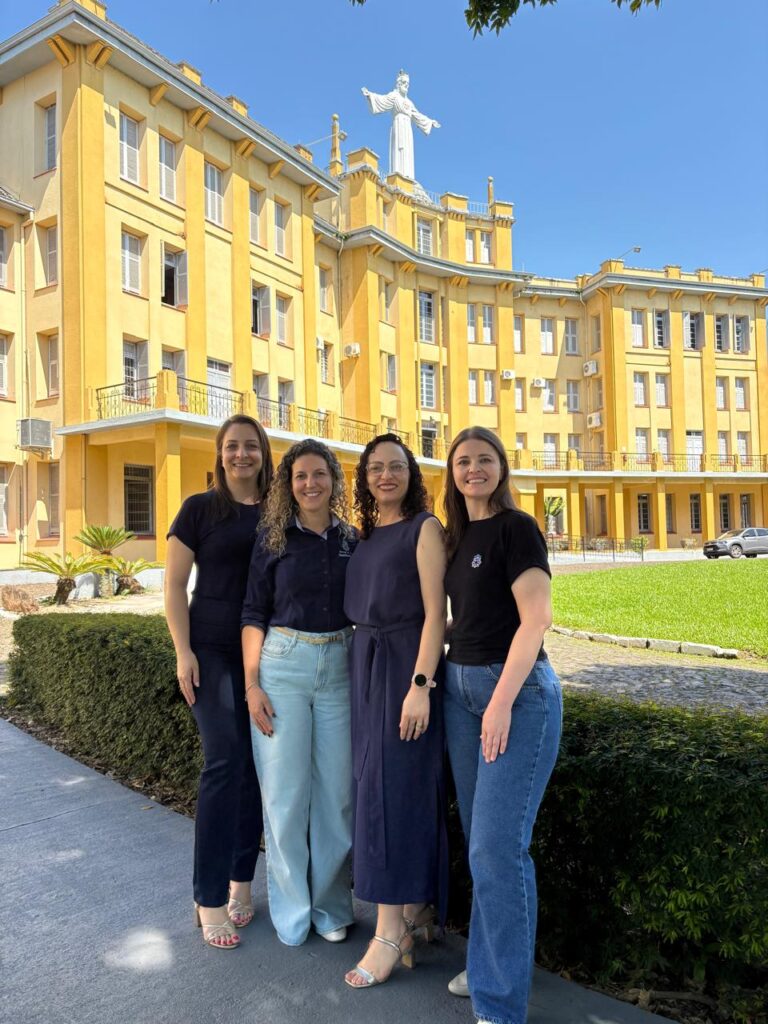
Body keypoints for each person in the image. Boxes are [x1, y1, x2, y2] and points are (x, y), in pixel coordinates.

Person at [441, 426, 562, 1024]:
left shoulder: (517, 528)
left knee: (498, 848)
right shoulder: (457, 536)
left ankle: (500, 1003)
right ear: (451, 472)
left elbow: (535, 617)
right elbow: (464, 619)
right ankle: (490, 964)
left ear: (502, 467)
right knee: (480, 847)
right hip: (460, 694)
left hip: (514, 696)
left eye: (484, 459)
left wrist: (500, 703)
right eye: (463, 461)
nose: (473, 469)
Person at [242, 439, 357, 947]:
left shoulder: (351, 539)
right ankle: (292, 910)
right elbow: (253, 613)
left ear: (333, 480)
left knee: (336, 797)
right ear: (289, 485)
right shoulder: (273, 539)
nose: (311, 483)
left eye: (319, 474)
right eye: (301, 476)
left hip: (339, 666)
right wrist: (252, 684)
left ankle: (330, 908)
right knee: (285, 795)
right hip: (283, 667)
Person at [342, 433, 447, 989]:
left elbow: (435, 614)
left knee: (389, 795)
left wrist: (420, 685)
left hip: (405, 668)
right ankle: (414, 911)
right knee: (378, 788)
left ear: (411, 473)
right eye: (376, 468)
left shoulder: (424, 528)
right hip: (366, 666)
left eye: (397, 466)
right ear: (364, 478)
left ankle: (388, 933)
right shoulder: (364, 535)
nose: (386, 475)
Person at [164, 414, 273, 950]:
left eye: (251, 446)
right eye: (232, 446)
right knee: (225, 761)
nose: (241, 454)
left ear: (263, 453)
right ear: (220, 453)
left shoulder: (278, 511)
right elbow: (174, 585)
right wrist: (183, 651)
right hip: (210, 651)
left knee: (254, 769)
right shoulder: (198, 509)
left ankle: (240, 882)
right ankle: (207, 899)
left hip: (267, 654)